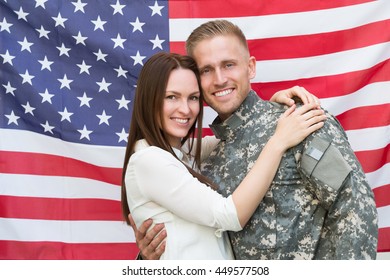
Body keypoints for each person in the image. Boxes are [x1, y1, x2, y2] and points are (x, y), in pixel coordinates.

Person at [132, 20, 378, 260]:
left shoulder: (299, 123)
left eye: (229, 65)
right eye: (206, 70)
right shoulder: (205, 160)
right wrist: (149, 257)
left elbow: (354, 209)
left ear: (250, 67)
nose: (219, 79)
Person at [121, 52, 326, 259]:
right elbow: (229, 215)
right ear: (149, 100)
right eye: (171, 97)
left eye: (193, 98)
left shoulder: (181, 153)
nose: (185, 109)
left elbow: (239, 137)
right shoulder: (149, 160)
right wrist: (278, 142)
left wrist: (270, 110)